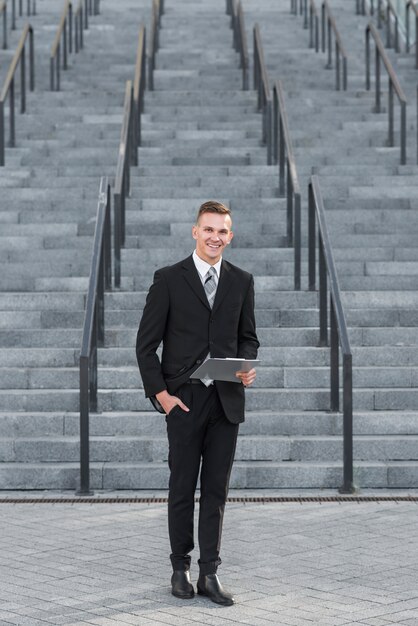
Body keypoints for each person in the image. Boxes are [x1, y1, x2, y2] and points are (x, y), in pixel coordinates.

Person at [136, 200, 259, 606]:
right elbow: (145, 346)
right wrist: (163, 396)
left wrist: (246, 365)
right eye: (208, 229)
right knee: (182, 487)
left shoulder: (241, 281)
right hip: (184, 402)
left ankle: (210, 573)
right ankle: (179, 568)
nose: (215, 237)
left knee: (217, 492)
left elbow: (248, 337)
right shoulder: (169, 279)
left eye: (222, 231)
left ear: (231, 235)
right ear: (194, 232)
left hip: (225, 401)